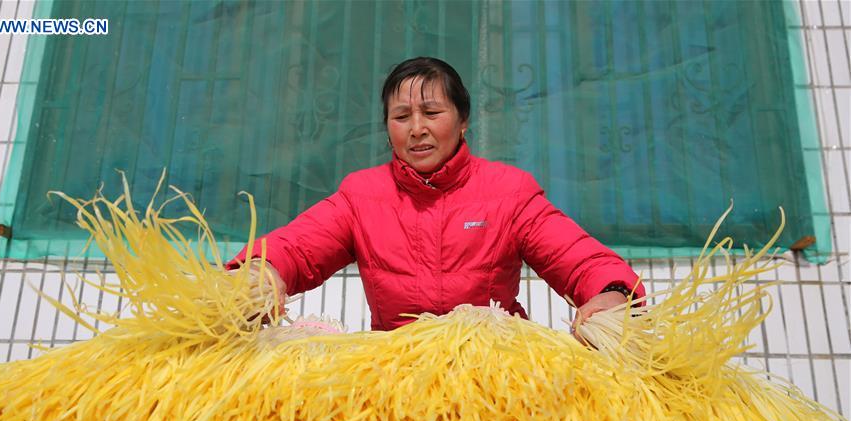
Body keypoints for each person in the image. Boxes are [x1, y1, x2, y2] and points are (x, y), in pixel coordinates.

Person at [227, 57, 644, 332]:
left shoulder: (508, 192)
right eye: (401, 116)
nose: (416, 128)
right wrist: (259, 273)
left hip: (498, 374)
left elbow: (577, 257)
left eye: (432, 112)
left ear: (463, 121)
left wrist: (612, 293)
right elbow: (297, 247)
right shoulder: (362, 195)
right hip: (397, 374)